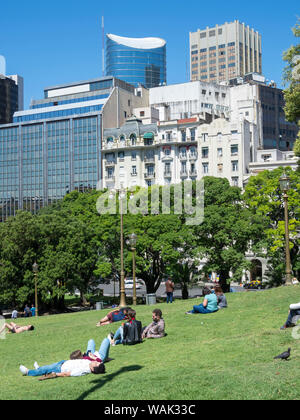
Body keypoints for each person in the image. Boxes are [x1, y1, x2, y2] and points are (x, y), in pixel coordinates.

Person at [19, 336, 112, 377]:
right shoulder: (90, 364)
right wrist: (92, 357)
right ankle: (39, 369)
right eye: (97, 362)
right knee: (47, 367)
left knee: (47, 369)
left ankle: (28, 372)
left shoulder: (83, 370)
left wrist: (56, 375)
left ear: (92, 369)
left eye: (96, 363)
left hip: (61, 368)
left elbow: (68, 374)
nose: (96, 362)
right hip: (63, 363)